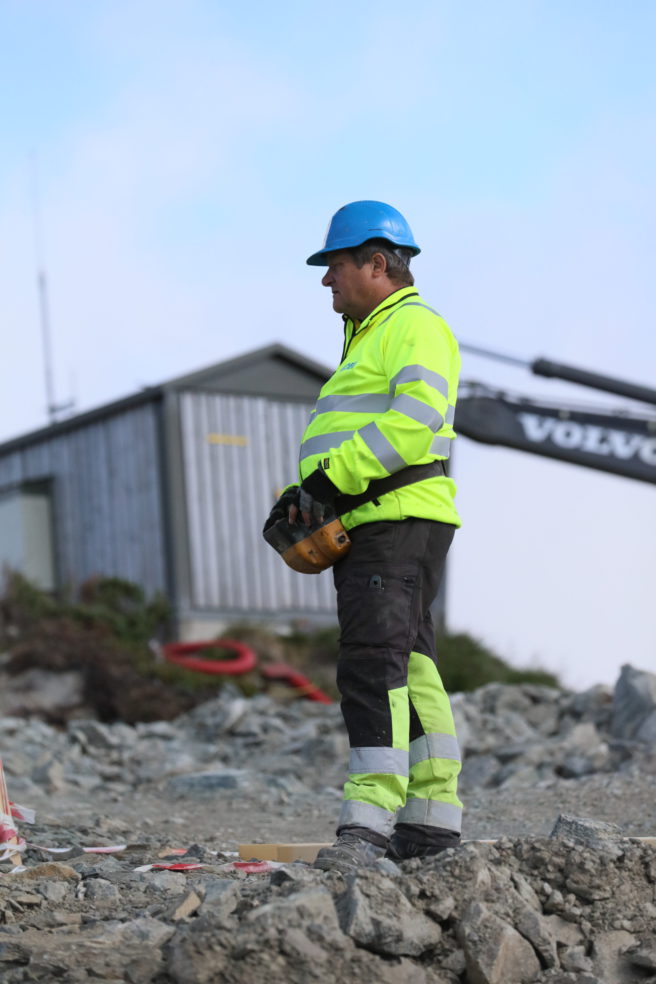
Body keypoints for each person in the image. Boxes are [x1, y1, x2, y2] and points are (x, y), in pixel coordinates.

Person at [267, 200, 463, 874]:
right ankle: (433, 822)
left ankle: (368, 826)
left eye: (336, 265)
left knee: (372, 663)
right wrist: (312, 495)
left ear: (377, 264)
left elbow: (412, 422)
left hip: (391, 518)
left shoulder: (412, 327)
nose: (326, 280)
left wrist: (334, 482)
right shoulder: (377, 334)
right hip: (392, 517)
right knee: (410, 665)